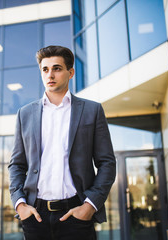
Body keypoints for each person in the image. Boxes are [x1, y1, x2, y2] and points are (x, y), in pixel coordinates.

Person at [8, 45, 116, 240]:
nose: (50, 74)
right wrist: (20, 204)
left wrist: (89, 206)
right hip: (36, 217)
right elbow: (17, 164)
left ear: (70, 72)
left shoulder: (92, 111)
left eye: (57, 68)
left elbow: (107, 163)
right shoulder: (25, 114)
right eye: (45, 69)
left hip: (76, 215)